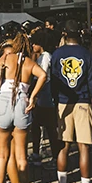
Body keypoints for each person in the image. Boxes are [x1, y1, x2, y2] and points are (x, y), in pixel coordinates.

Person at [0, 31, 46, 183]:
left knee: (2, 156)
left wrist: (0, 75)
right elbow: (43, 75)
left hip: (4, 102)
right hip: (22, 102)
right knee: (22, 157)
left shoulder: (6, 58)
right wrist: (33, 96)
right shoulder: (29, 62)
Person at [51, 20, 92, 183]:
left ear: (64, 34)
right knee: (84, 148)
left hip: (63, 104)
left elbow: (53, 82)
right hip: (83, 102)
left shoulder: (57, 54)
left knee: (63, 147)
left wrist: (56, 103)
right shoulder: (87, 54)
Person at [30, 28, 59, 165]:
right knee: (39, 125)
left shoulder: (46, 56)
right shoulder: (43, 56)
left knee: (48, 126)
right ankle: (37, 153)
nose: (33, 46)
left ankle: (54, 156)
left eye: (35, 43)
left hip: (45, 93)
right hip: (43, 94)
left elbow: (43, 75)